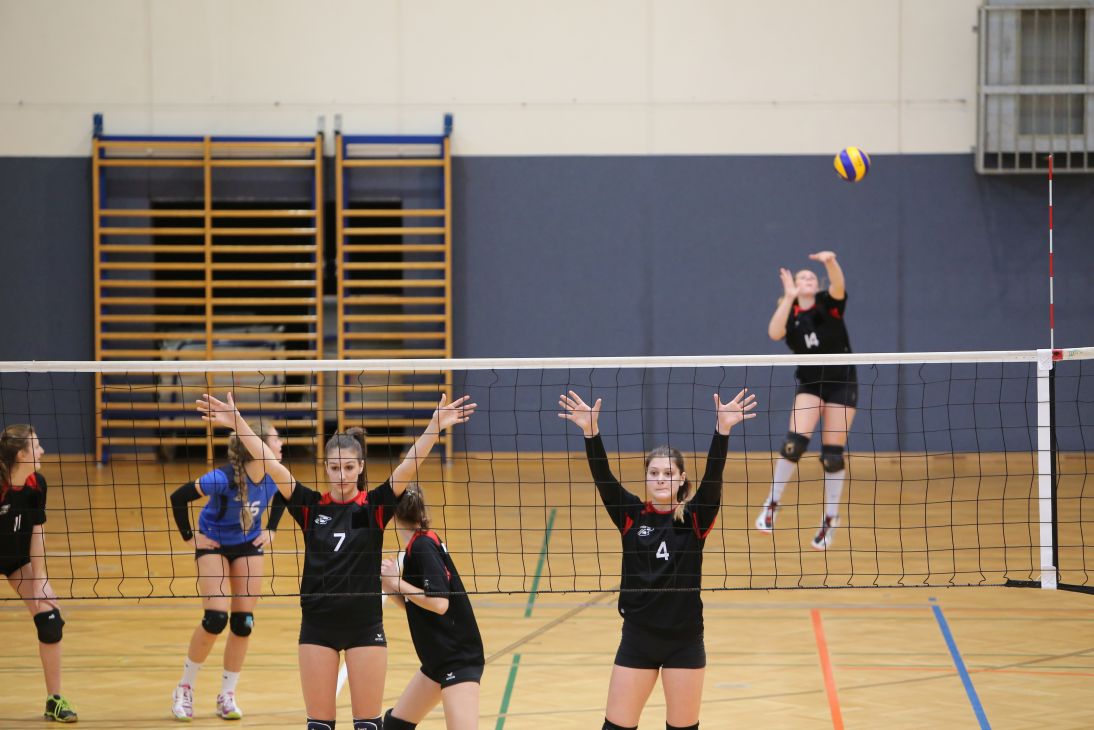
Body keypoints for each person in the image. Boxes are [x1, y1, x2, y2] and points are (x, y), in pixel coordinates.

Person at [196, 391, 475, 730]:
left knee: (368, 725)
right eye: (334, 467)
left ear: (360, 467)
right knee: (319, 726)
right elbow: (271, 464)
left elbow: (409, 464)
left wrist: (435, 427)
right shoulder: (310, 506)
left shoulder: (374, 507)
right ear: (325, 467)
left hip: (365, 628)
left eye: (349, 467)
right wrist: (238, 423)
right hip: (318, 629)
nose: (342, 475)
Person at [559, 389, 757, 730]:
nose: (661, 479)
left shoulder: (695, 518)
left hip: (684, 641)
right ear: (647, 478)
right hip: (638, 638)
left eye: (668, 473)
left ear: (681, 479)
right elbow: (604, 477)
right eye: (654, 473)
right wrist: (591, 432)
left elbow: (713, 477)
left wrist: (722, 430)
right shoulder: (631, 514)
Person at [168, 418, 288, 721]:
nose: (281, 443)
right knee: (215, 619)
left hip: (248, 544)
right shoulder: (222, 478)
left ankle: (227, 694)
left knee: (243, 622)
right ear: (257, 447)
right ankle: (184, 688)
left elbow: (286, 497)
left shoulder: (275, 474)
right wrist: (189, 537)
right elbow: (179, 496)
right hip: (215, 544)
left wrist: (272, 528)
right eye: (276, 439)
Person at [758, 250, 856, 550]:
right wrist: (789, 297)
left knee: (832, 456)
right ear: (794, 285)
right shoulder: (791, 314)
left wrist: (829, 262)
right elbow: (774, 333)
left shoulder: (829, 303)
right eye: (802, 277)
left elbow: (839, 285)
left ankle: (830, 518)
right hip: (811, 384)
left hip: (842, 383)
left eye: (812, 277)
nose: (809, 279)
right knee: (793, 445)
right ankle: (772, 504)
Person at [379, 484, 484, 730]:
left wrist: (397, 582)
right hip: (438, 660)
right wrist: (390, 585)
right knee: (395, 726)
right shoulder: (418, 545)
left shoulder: (423, 546)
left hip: (457, 659)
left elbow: (439, 603)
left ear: (393, 515)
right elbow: (417, 605)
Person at [0, 424, 77, 723]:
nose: (42, 450)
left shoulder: (36, 484)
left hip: (16, 559)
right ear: (21, 455)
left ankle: (54, 700)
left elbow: (37, 532)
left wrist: (41, 579)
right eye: (36, 446)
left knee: (50, 619)